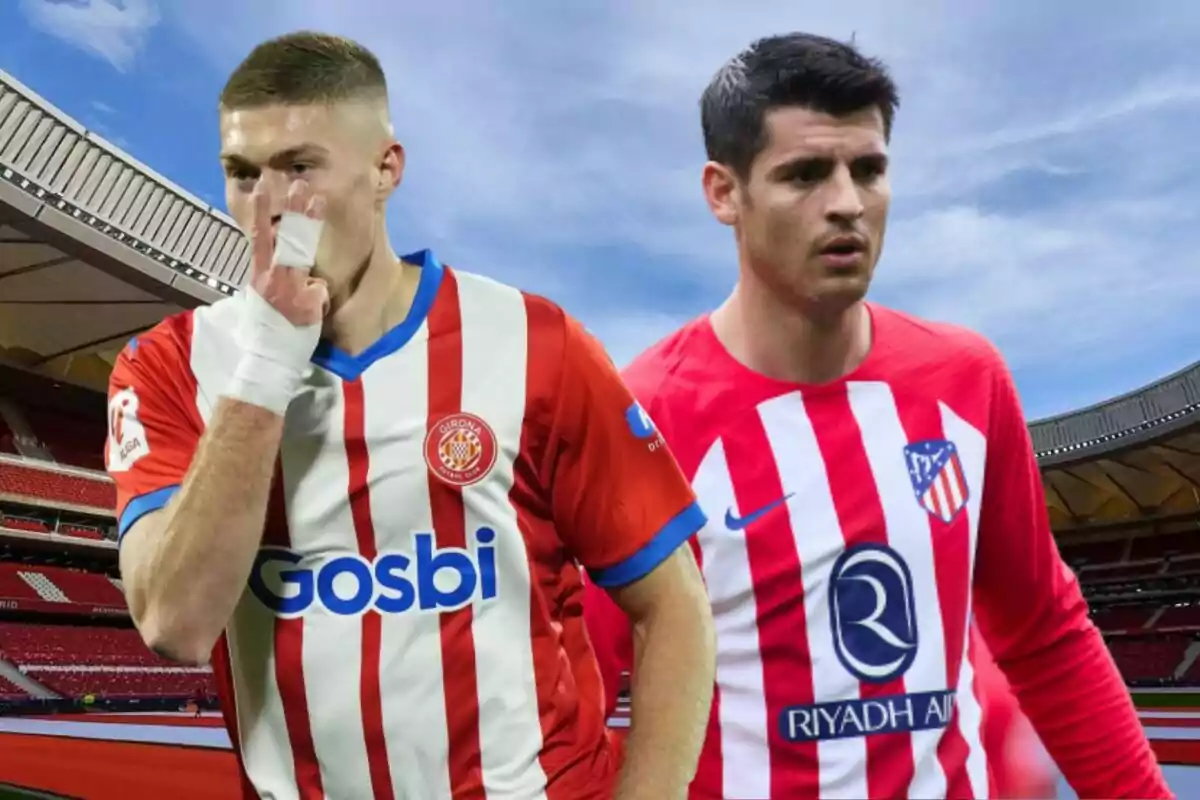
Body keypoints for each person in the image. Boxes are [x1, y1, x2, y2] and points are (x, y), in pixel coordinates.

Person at [104, 31, 715, 800]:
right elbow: (175, 624)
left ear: (386, 170)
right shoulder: (169, 366)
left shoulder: (535, 344)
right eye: (241, 174)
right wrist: (264, 370)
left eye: (300, 168)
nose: (268, 209)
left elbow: (674, 606)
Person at [582, 32, 1171, 800]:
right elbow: (580, 688)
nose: (847, 204)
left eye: (868, 169)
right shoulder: (642, 418)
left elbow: (1045, 635)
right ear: (724, 192)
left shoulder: (967, 381)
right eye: (804, 174)